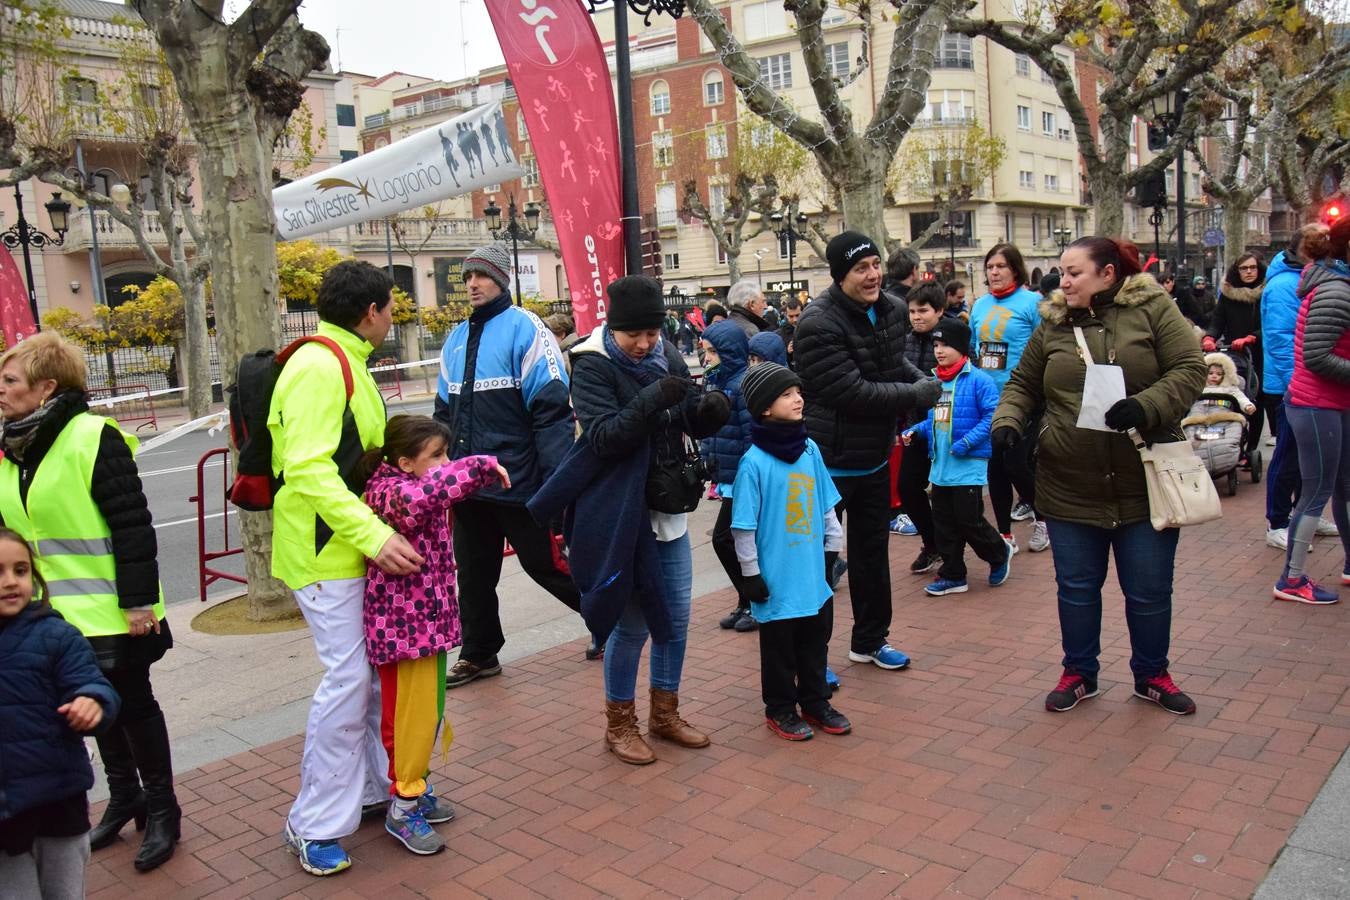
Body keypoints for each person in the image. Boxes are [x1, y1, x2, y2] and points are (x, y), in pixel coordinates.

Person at [994, 237, 1205, 715]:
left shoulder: (1153, 309)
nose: (1063, 282)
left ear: (1108, 273)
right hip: (1069, 483)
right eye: (1061, 273)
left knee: (1149, 591)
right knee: (1076, 588)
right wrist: (1007, 421)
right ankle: (1078, 673)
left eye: (1074, 272)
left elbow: (1190, 368)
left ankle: (1152, 674)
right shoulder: (1052, 323)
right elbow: (1023, 384)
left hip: (1144, 482)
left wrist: (1146, 405)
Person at [0, 332, 179, 872]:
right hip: (50, 617)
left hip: (114, 612)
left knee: (134, 707)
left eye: (9, 381)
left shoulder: (90, 435)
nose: (0, 390)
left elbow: (130, 525)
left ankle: (164, 810)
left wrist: (139, 603)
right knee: (89, 713)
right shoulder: (13, 446)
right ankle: (126, 798)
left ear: (46, 386)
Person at [543, 275, 729, 765]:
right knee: (632, 626)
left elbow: (682, 415)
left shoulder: (664, 353)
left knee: (676, 618)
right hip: (618, 509)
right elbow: (604, 438)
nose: (646, 345)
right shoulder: (590, 363)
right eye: (635, 337)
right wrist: (653, 399)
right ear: (612, 327)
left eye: (652, 334)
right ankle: (619, 725)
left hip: (666, 506)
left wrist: (708, 412)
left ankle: (665, 714)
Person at [269, 261, 410, 876]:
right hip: (329, 554)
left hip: (347, 549)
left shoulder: (340, 360)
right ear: (372, 311)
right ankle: (315, 821)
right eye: (390, 308)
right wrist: (376, 537)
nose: (392, 318)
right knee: (350, 680)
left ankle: (378, 790)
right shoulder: (321, 365)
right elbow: (308, 467)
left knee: (372, 676)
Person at [358, 416, 507, 856]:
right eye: (436, 456)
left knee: (427, 712)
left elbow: (436, 489)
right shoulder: (390, 492)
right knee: (409, 719)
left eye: (447, 453)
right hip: (405, 632)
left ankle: (413, 786)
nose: (446, 463)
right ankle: (403, 803)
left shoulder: (405, 484)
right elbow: (428, 494)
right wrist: (478, 466)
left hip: (425, 627)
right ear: (405, 462)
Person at [434, 244, 583, 685]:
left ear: (502, 279)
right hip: (470, 487)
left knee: (548, 567)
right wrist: (442, 474)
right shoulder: (456, 338)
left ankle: (612, 619)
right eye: (466, 278)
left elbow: (553, 413)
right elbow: (444, 416)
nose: (473, 284)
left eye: (481, 276)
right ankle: (479, 654)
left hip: (521, 483)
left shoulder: (527, 329)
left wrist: (555, 487)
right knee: (475, 576)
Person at [795, 231, 942, 672]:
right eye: (862, 268)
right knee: (817, 563)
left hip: (874, 458)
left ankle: (871, 640)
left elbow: (895, 364)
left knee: (872, 557)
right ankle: (811, 658)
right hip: (828, 464)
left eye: (876, 264)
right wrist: (915, 392)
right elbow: (850, 391)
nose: (874, 274)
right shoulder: (817, 323)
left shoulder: (892, 310)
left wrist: (923, 380)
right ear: (841, 275)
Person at [731, 363, 850, 740]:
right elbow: (743, 527)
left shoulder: (809, 449)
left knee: (816, 643)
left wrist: (832, 549)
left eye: (798, 391)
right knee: (780, 653)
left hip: (812, 574)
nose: (798, 399)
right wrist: (750, 575)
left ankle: (816, 702)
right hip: (777, 578)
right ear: (764, 407)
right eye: (786, 394)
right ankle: (780, 709)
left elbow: (827, 504)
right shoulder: (753, 463)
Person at [0, 529, 120, 899]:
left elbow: (91, 681)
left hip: (58, 802)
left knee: (65, 893)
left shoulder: (56, 634)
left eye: (20, 570)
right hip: (6, 817)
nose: (10, 581)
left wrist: (92, 700)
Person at [1273, 218, 1350, 605]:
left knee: (1343, 485)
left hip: (1332, 404)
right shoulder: (1336, 291)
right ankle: (1292, 579)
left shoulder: (1338, 285)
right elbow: (1318, 357)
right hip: (1317, 405)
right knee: (1316, 491)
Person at [903, 318, 1010, 596]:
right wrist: (915, 431)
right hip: (941, 467)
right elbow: (934, 421)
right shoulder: (935, 382)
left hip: (968, 466)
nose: (939, 350)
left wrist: (966, 442)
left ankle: (999, 553)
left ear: (962, 348)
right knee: (944, 524)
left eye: (946, 344)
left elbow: (991, 417)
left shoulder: (980, 381)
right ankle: (953, 574)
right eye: (937, 344)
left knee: (969, 520)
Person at [970, 242, 1049, 553]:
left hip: (1025, 395)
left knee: (1017, 463)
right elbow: (976, 349)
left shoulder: (1032, 303)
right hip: (989, 399)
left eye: (1000, 266)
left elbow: (1047, 347)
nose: (994, 272)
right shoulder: (979, 306)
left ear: (1015, 269)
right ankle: (1004, 534)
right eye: (990, 267)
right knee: (996, 467)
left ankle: (1044, 518)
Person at [1263, 224, 1334, 550]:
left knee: (1310, 458)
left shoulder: (1306, 279)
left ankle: (1303, 512)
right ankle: (1277, 522)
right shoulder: (1283, 287)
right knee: (1288, 454)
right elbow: (1280, 340)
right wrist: (1299, 384)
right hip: (1291, 386)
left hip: (1305, 384)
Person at [698, 320, 758, 633]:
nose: (706, 358)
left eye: (712, 351)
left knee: (727, 540)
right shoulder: (717, 382)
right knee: (732, 541)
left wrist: (748, 480)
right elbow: (710, 429)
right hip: (728, 476)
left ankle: (754, 601)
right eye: (705, 351)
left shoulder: (742, 385)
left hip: (742, 480)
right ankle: (746, 600)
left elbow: (751, 437)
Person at [896, 283, 947, 574]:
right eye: (912, 311)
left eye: (923, 311)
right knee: (908, 487)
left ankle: (976, 549)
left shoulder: (950, 337)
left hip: (946, 429)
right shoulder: (905, 342)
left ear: (938, 311)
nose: (916, 317)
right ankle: (932, 544)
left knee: (946, 495)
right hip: (915, 428)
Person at [1203, 253, 1266, 462]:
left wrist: (1253, 336)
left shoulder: (1266, 293)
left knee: (1255, 398)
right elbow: (1217, 319)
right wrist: (1210, 337)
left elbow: (1272, 323)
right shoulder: (1228, 295)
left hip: (1259, 352)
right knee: (1232, 395)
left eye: (1252, 268)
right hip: (1234, 354)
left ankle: (1251, 449)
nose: (1248, 272)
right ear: (1236, 271)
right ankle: (1231, 444)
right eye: (1244, 268)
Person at [778, 296, 803, 367]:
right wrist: (787, 352)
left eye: (797, 315)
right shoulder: (780, 334)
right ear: (786, 315)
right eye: (791, 316)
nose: (795, 319)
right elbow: (778, 360)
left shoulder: (811, 328)